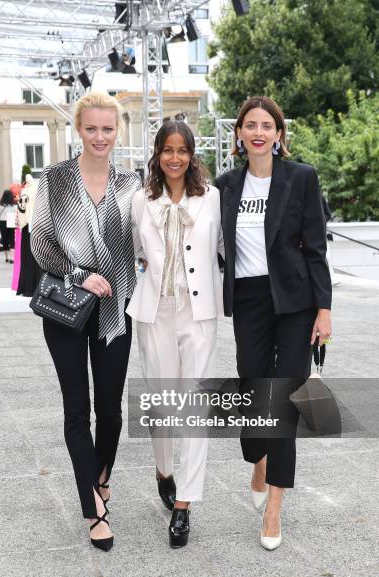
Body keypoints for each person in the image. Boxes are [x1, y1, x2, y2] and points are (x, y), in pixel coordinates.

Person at [215, 96, 332, 550]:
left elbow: (316, 247)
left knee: (283, 396)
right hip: (248, 301)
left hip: (296, 299)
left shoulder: (300, 178)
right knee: (253, 386)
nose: (259, 131)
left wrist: (324, 309)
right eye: (250, 125)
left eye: (267, 124)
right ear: (240, 134)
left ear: (279, 134)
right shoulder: (226, 185)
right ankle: (258, 456)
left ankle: (274, 507)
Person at [31, 92, 141, 552]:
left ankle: (99, 474)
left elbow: (145, 239)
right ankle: (94, 507)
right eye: (92, 128)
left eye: (108, 129)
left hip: (116, 311)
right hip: (66, 312)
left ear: (118, 131)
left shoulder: (131, 183)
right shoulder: (54, 179)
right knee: (77, 409)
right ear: (79, 129)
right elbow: (41, 243)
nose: (100, 137)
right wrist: (82, 275)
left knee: (111, 410)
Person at [126, 120, 224, 548]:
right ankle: (163, 470)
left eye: (182, 150)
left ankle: (184, 504)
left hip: (198, 312)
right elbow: (135, 253)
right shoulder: (139, 201)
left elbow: (223, 248)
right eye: (167, 150)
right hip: (155, 313)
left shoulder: (212, 199)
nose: (175, 158)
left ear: (192, 155)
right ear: (157, 154)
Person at [0, 189, 16, 263]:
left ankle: (6, 257)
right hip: (11, 220)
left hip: (2, 221)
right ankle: (12, 258)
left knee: (4, 239)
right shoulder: (13, 206)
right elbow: (16, 214)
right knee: (12, 240)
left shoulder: (0, 205)